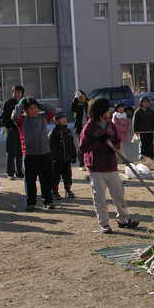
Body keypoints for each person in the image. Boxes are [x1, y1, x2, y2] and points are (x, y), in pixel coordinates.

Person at [80, 98, 139, 234]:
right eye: (107, 109)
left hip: (111, 165)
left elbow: (117, 140)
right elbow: (83, 147)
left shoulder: (110, 125)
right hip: (96, 168)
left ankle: (124, 220)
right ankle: (104, 224)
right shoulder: (89, 127)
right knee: (99, 197)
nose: (109, 111)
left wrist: (114, 145)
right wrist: (98, 142)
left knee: (119, 194)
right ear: (100, 111)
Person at [12, 97, 56, 211]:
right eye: (31, 108)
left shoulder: (43, 117)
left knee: (46, 179)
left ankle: (48, 201)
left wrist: (39, 104)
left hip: (45, 153)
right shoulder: (21, 120)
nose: (34, 110)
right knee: (30, 180)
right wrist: (21, 104)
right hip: (29, 154)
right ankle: (31, 202)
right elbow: (14, 116)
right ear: (25, 110)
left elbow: (52, 110)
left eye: (36, 108)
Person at [49, 112, 76, 200]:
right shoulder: (53, 132)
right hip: (57, 160)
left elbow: (72, 144)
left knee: (68, 176)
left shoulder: (68, 131)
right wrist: (54, 158)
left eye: (65, 118)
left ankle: (68, 190)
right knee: (55, 177)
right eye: (62, 118)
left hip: (67, 159)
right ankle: (55, 191)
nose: (65, 119)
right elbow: (51, 147)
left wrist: (73, 155)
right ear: (56, 121)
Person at [2, 85, 25, 179]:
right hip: (11, 130)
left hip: (21, 130)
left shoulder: (24, 103)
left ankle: (19, 171)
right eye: (15, 92)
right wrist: (9, 126)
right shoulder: (8, 103)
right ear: (12, 93)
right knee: (11, 152)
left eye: (19, 92)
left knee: (20, 152)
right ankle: (10, 173)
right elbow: (4, 117)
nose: (17, 94)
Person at [71, 91, 89, 169]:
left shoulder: (88, 103)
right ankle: (81, 164)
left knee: (90, 145)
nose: (81, 98)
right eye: (79, 97)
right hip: (80, 128)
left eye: (82, 96)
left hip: (89, 128)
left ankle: (89, 162)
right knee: (81, 146)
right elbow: (73, 108)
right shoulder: (77, 105)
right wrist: (75, 98)